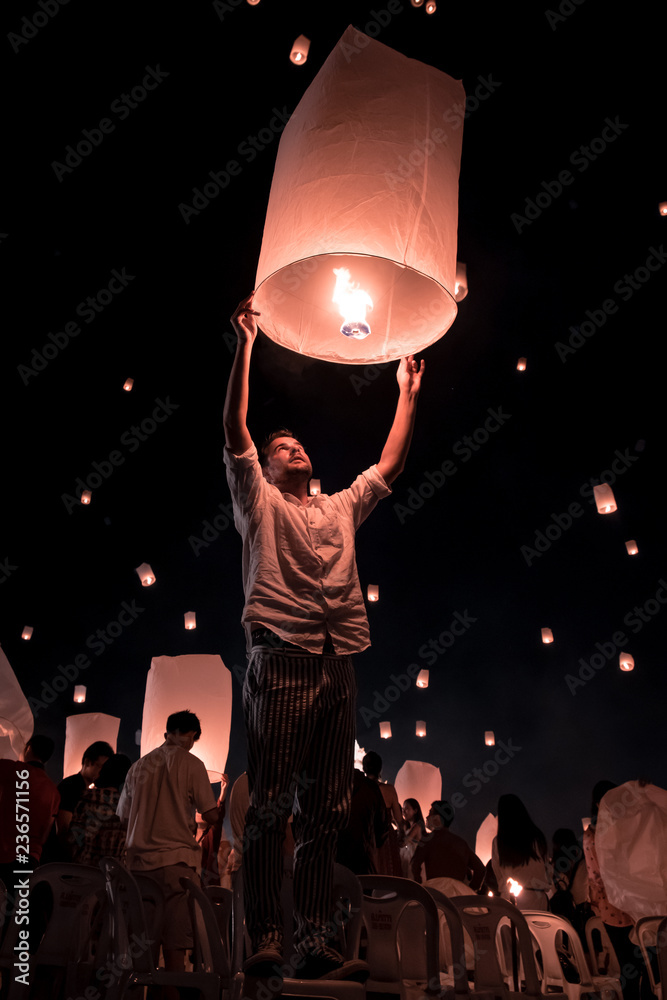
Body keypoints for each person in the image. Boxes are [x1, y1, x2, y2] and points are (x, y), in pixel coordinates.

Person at [223, 291, 424, 981]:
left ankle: (312, 940)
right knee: (270, 806)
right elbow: (233, 429)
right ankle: (266, 937)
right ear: (267, 468)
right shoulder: (257, 500)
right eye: (282, 447)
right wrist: (246, 345)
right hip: (278, 655)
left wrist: (404, 391)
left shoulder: (338, 508)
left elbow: (389, 467)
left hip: (338, 661)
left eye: (298, 443)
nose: (293, 449)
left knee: (324, 812)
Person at [116, 711, 220, 976]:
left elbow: (123, 818)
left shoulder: (138, 767)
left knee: (142, 953)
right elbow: (209, 815)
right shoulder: (192, 764)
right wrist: (220, 806)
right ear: (192, 735)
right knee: (175, 950)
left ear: (167, 731)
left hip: (138, 870)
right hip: (177, 867)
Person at [0, 736, 61, 918]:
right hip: (29, 860)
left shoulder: (9, 768)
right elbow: (44, 836)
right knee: (15, 917)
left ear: (28, 748)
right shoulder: (53, 791)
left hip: (3, 853)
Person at [44, 739, 114, 861]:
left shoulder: (81, 786)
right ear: (87, 762)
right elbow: (63, 829)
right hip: (59, 859)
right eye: (101, 766)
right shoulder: (72, 787)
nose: (103, 772)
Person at [68, 753, 132, 867]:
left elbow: (73, 837)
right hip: (112, 876)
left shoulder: (88, 797)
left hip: (83, 872)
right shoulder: (127, 805)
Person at [491, 793, 552, 910]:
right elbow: (548, 871)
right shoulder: (538, 838)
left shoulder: (499, 842)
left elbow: (498, 872)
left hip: (511, 902)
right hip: (538, 900)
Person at [411, 801, 485, 888]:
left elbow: (414, 865)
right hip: (458, 895)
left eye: (430, 813)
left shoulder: (428, 840)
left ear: (437, 818)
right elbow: (480, 869)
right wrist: (471, 889)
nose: (427, 817)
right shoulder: (461, 843)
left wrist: (420, 885)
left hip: (435, 892)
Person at [336, 767, 389, 875]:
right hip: (365, 859)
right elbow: (382, 824)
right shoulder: (370, 787)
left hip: (334, 861)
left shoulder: (329, 784)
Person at [362, 751, 402, 876]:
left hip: (365, 834)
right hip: (386, 837)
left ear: (364, 768)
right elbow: (399, 819)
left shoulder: (360, 788)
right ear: (380, 769)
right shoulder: (389, 790)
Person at [400, 797, 425, 878]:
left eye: (407, 809)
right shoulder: (407, 826)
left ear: (415, 810)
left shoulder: (417, 826)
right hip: (406, 859)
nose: (403, 811)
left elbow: (404, 842)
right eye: (403, 809)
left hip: (413, 860)